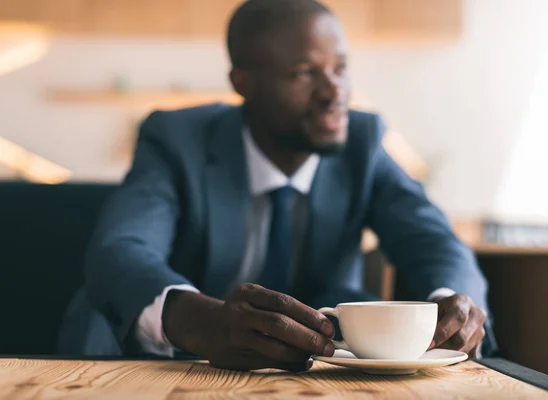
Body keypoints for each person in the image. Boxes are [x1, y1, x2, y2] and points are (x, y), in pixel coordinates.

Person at [59, 0, 496, 371]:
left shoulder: (362, 143)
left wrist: (454, 306)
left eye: (340, 68)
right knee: (96, 311)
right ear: (243, 83)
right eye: (306, 73)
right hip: (191, 359)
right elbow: (121, 249)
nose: (334, 92)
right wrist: (204, 324)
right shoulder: (178, 139)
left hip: (328, 365)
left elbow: (434, 241)